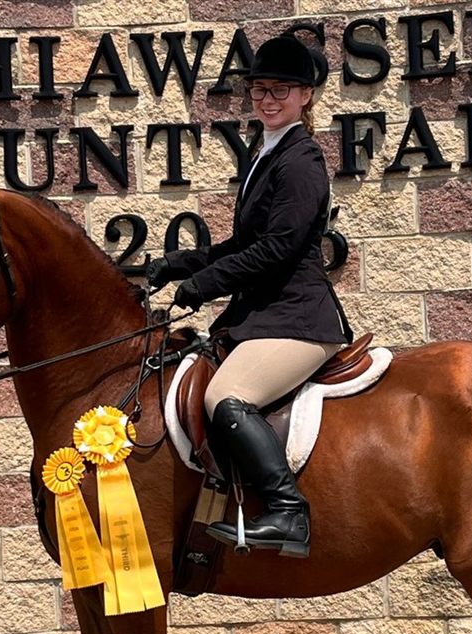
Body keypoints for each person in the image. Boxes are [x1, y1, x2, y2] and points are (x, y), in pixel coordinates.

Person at [146, 34, 354, 559]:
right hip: (266, 313)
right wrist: (179, 265)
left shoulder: (301, 159)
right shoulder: (266, 151)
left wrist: (202, 287)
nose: (267, 99)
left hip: (299, 318)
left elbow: (280, 249)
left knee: (225, 398)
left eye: (281, 90)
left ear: (306, 95)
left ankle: (288, 513)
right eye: (260, 89)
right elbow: (245, 244)